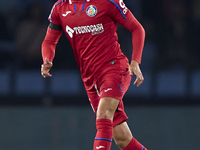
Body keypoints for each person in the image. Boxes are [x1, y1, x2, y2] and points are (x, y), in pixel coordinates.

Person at [41, 0, 147, 150]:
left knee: (103, 114)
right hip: (90, 78)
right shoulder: (59, 8)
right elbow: (49, 41)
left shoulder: (108, 2)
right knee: (123, 138)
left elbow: (137, 28)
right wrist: (47, 58)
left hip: (114, 68)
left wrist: (135, 62)